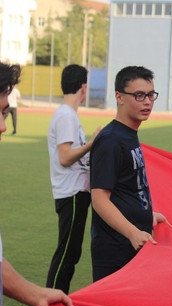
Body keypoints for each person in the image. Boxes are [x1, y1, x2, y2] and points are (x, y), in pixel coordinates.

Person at [0, 62, 75, 306]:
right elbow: (66, 157)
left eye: (5, 113)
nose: (3, 127)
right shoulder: (66, 116)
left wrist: (36, 296)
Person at [89, 66, 170, 282]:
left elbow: (128, 188)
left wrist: (147, 217)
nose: (147, 102)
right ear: (119, 97)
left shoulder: (128, 134)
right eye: (139, 95)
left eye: (151, 95)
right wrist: (132, 232)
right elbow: (99, 199)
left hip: (136, 242)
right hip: (116, 249)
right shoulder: (111, 140)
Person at [46, 64, 101, 293]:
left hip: (74, 193)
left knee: (70, 252)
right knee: (67, 253)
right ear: (83, 87)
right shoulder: (66, 116)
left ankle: (54, 302)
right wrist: (92, 143)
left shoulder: (67, 115)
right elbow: (65, 156)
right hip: (72, 193)